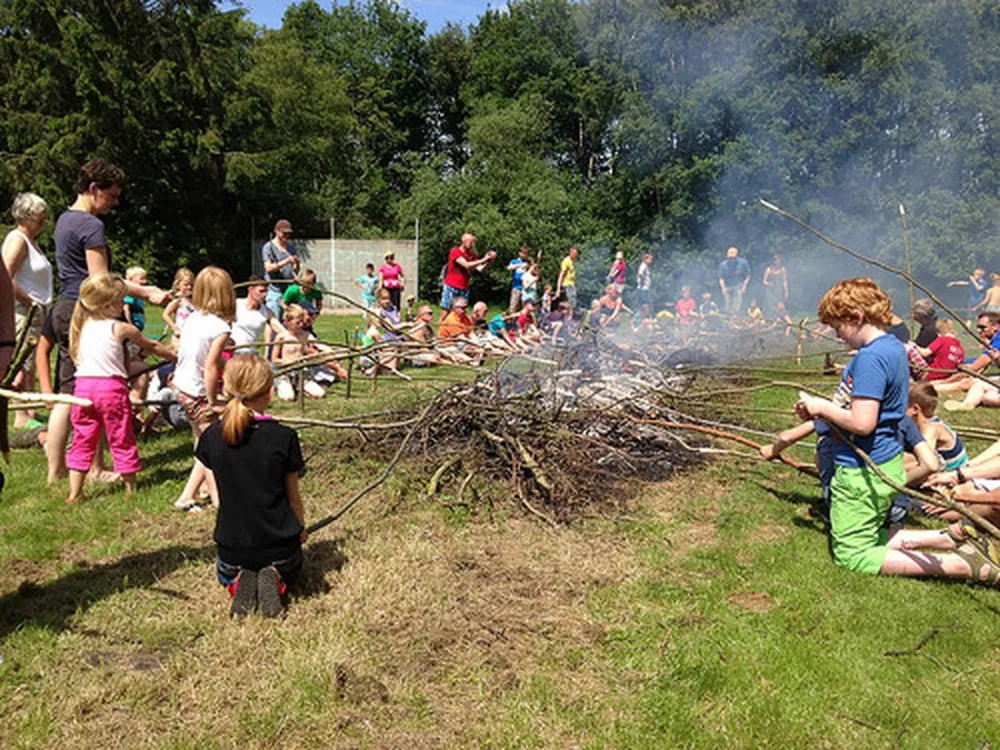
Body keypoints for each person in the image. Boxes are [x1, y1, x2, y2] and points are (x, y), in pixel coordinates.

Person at [795, 277, 1000, 583]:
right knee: (869, 532)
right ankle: (949, 536)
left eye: (838, 326)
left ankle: (964, 565)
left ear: (856, 317)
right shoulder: (893, 346)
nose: (838, 335)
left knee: (853, 552)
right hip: (887, 462)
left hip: (861, 470)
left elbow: (863, 423)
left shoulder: (870, 358)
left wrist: (820, 407)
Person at [39, 159, 167, 485]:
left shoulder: (64, 220)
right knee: (87, 393)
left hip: (64, 308)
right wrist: (146, 292)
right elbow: (100, 280)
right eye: (112, 195)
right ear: (94, 189)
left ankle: (57, 473)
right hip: (85, 311)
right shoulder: (91, 226)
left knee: (70, 393)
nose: (115, 202)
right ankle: (93, 470)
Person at [195, 353, 307, 618]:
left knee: (225, 569)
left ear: (227, 388)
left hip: (233, 546)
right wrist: (300, 529)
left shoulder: (212, 437)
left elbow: (219, 498)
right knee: (294, 563)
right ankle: (277, 576)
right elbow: (294, 498)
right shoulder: (284, 437)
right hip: (280, 545)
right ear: (269, 391)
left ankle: (236, 581)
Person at [65, 274, 176, 503]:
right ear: (108, 305)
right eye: (120, 301)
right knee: (120, 437)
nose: (123, 304)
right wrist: (176, 355)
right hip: (110, 389)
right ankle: (130, 490)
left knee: (83, 439)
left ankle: (75, 493)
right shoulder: (121, 328)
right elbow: (152, 345)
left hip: (83, 389)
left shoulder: (80, 326)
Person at [172, 266, 236, 512]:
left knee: (202, 443)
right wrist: (213, 400)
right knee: (213, 445)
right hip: (197, 391)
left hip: (181, 385)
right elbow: (210, 367)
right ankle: (220, 500)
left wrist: (231, 368)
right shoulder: (220, 328)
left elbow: (205, 357)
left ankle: (189, 495)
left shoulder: (193, 318)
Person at [2, 192, 52, 429]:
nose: (44, 218)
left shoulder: (31, 241)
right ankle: (21, 416)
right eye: (39, 214)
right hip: (23, 311)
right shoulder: (18, 240)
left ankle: (30, 411)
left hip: (36, 310)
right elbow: (5, 276)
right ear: (26, 216)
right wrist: (29, 301)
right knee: (22, 361)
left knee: (31, 361)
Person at [271, 305, 346, 399]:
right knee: (288, 398)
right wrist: (287, 362)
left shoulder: (305, 335)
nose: (301, 325)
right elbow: (274, 359)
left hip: (301, 372)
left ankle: (300, 387)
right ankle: (281, 385)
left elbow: (320, 346)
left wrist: (333, 353)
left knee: (320, 394)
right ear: (288, 321)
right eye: (297, 323)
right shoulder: (281, 337)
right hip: (285, 371)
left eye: (302, 322)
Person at [440, 233, 495, 319]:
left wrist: (489, 261)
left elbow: (480, 269)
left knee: (461, 313)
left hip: (464, 288)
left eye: (473, 242)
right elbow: (467, 265)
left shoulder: (472, 255)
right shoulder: (455, 251)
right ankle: (441, 331)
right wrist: (483, 259)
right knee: (446, 312)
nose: (472, 244)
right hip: (451, 286)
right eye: (470, 241)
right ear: (463, 241)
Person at [231, 274, 289, 354]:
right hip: (232, 351)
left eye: (266, 291)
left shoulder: (266, 312)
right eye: (261, 291)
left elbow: (281, 329)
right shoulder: (236, 304)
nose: (264, 295)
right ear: (251, 290)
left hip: (250, 353)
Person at [262, 219, 299, 320]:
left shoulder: (291, 248)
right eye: (284, 233)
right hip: (274, 290)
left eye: (289, 233)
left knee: (290, 321)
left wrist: (297, 265)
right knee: (273, 321)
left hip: (288, 291)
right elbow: (268, 268)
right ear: (276, 231)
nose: (287, 236)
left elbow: (295, 271)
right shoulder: (268, 247)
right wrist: (286, 261)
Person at [162, 268, 195, 350]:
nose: (189, 287)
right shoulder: (178, 301)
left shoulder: (195, 302)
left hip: (192, 335)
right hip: (179, 336)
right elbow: (165, 314)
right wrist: (175, 328)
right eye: (186, 285)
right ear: (178, 285)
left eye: (192, 285)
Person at [718, 246, 750, 316]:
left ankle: (735, 318)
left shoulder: (743, 263)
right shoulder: (723, 265)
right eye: (730, 258)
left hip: (738, 286)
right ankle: (728, 319)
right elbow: (721, 278)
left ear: (737, 256)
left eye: (733, 258)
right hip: (727, 287)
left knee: (736, 304)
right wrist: (723, 288)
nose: (731, 259)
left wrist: (744, 286)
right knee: (727, 304)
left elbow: (747, 275)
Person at [507, 245, 530, 313]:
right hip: (516, 287)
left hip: (525, 288)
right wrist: (520, 265)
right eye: (523, 253)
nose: (524, 255)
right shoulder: (514, 261)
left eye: (526, 253)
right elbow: (509, 268)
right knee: (513, 306)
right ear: (519, 253)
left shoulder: (528, 262)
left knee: (524, 307)